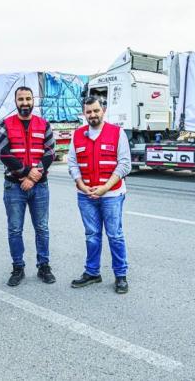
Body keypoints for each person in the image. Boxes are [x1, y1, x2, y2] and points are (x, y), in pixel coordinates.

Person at [67, 96, 131, 294]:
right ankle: (93, 272)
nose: (92, 115)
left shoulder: (117, 133)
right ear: (84, 113)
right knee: (92, 235)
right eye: (88, 112)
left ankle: (120, 276)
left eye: (96, 111)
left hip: (111, 194)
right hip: (85, 195)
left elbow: (124, 164)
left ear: (103, 110)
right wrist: (81, 184)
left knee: (115, 235)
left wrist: (105, 187)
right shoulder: (77, 135)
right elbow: (72, 163)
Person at [0, 86, 56, 287]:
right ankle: (18, 267)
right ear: (15, 101)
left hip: (39, 186)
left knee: (42, 228)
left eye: (28, 99)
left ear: (33, 100)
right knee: (15, 229)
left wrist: (34, 176)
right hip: (14, 187)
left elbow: (50, 152)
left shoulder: (43, 124)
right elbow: (3, 153)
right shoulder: (5, 124)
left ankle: (44, 266)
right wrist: (25, 173)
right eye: (21, 99)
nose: (25, 103)